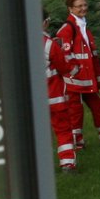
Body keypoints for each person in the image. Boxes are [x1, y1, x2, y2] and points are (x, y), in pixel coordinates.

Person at [57, 0, 100, 149]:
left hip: (87, 78)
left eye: (84, 5)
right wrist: (75, 71)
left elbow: (91, 55)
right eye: (79, 6)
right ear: (70, 9)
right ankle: (77, 142)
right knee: (75, 111)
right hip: (74, 80)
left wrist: (96, 76)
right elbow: (64, 54)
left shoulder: (84, 26)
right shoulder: (67, 29)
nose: (83, 8)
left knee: (98, 107)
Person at [43, 9, 78, 171]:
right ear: (45, 22)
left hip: (30, 100)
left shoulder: (18, 43)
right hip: (54, 95)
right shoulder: (49, 44)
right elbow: (63, 67)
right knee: (63, 129)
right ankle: (67, 163)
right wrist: (74, 69)